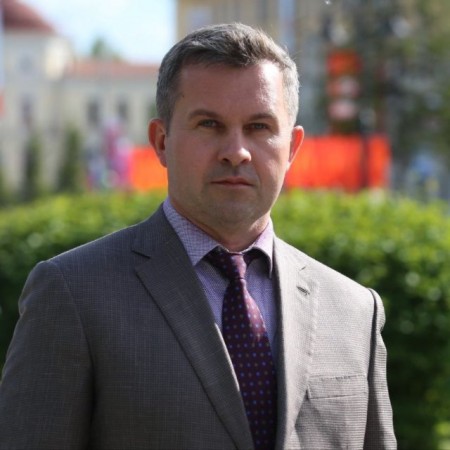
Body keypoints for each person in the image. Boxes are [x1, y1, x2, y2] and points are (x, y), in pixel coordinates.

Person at [0, 23, 396, 450]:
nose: (236, 151)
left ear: (293, 148)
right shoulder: (73, 294)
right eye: (209, 124)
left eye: (259, 126)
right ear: (161, 141)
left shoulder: (355, 311)